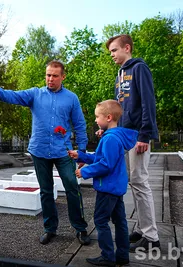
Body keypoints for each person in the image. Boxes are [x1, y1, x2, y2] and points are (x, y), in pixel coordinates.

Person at [0, 60, 90, 245]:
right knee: (46, 191)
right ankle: (50, 229)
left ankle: (80, 228)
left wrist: (83, 152)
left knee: (72, 187)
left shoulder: (71, 98)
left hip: (63, 152)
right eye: (48, 75)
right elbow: (14, 96)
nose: (50, 79)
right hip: (39, 150)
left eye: (55, 76)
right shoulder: (35, 94)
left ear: (63, 77)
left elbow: (80, 125)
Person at [106, 34, 160, 252]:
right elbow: (120, 109)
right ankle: (141, 227)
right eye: (110, 51)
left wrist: (144, 135)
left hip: (138, 136)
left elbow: (148, 102)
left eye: (114, 50)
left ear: (126, 48)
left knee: (140, 182)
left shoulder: (139, 69)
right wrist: (110, 129)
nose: (112, 55)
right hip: (125, 135)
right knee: (134, 183)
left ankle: (152, 236)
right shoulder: (120, 74)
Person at [69, 100, 138, 267]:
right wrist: (81, 156)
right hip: (115, 188)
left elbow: (106, 165)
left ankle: (108, 256)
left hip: (107, 188)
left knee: (100, 220)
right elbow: (102, 159)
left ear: (108, 117)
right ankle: (122, 255)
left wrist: (84, 171)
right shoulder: (114, 136)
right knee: (120, 221)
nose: (95, 120)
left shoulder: (110, 139)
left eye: (97, 117)